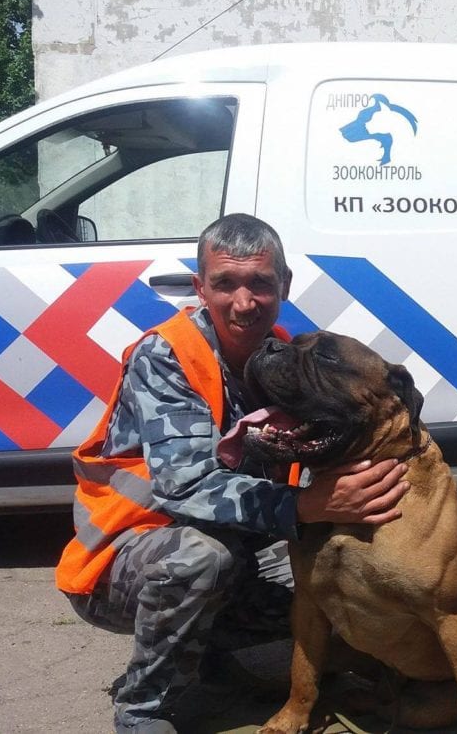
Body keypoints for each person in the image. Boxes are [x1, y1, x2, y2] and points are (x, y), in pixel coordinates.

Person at [54, 213, 409, 733]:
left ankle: (207, 656)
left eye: (260, 283)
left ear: (283, 284)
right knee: (203, 559)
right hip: (123, 558)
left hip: (238, 539)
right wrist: (308, 506)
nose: (244, 303)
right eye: (225, 284)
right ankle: (144, 706)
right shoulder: (166, 356)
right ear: (200, 287)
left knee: (339, 571)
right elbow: (187, 485)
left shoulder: (284, 358)